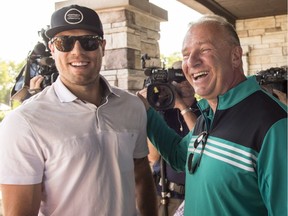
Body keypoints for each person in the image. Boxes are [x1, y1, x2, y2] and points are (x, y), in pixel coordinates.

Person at [0, 4, 157, 216]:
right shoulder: (24, 122)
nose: (77, 51)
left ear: (103, 46)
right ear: (52, 49)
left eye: (88, 41)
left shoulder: (132, 106)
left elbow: (141, 172)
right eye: (64, 42)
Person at [137, 14, 287, 215]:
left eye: (205, 50)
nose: (191, 62)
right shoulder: (209, 112)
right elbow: (179, 156)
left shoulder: (274, 123)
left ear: (235, 56)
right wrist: (146, 110)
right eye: (185, 54)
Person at [146, 61, 200, 216]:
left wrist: (182, 106)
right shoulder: (161, 113)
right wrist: (154, 104)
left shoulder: (205, 110)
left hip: (195, 193)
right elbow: (153, 157)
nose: (184, 82)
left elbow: (202, 139)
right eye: (178, 77)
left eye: (188, 76)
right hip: (165, 195)